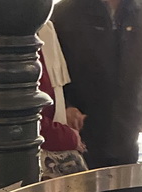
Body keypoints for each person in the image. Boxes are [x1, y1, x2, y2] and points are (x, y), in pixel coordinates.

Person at [51, 0, 142, 169]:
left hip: (126, 135)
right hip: (80, 135)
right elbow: (52, 71)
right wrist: (66, 107)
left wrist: (141, 116)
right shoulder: (65, 12)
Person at [38, 20, 87, 178]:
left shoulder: (46, 29)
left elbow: (55, 88)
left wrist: (67, 106)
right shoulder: (16, 36)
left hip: (61, 134)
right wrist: (66, 136)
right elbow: (19, 118)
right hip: (38, 150)